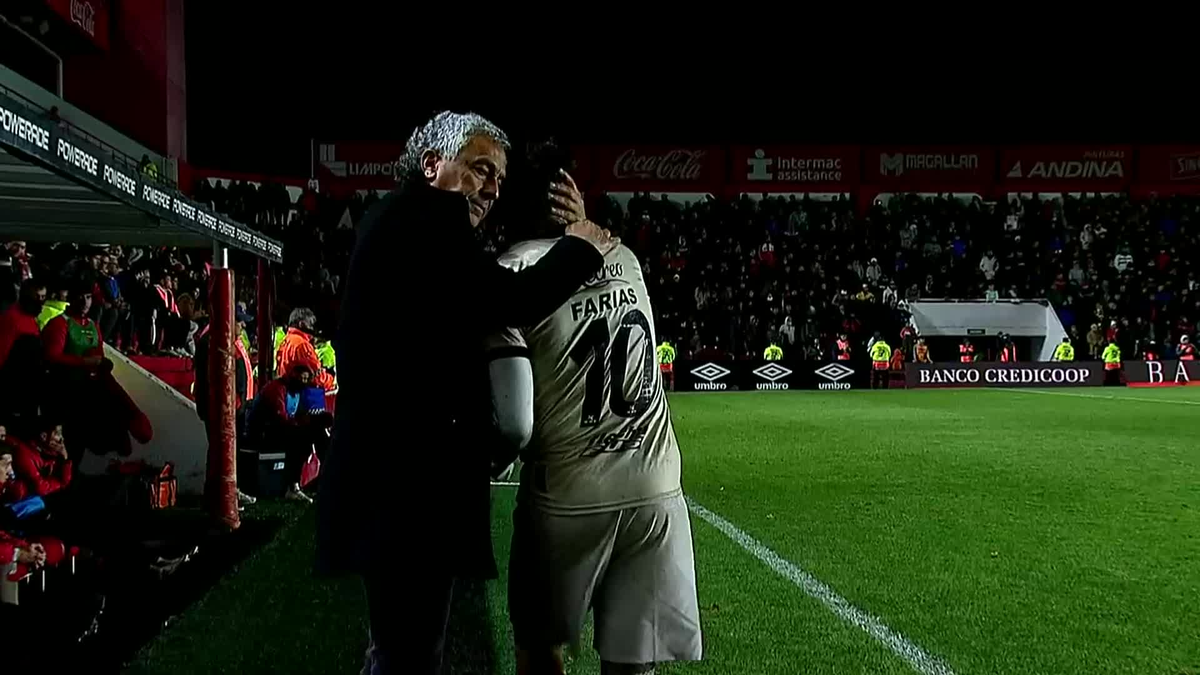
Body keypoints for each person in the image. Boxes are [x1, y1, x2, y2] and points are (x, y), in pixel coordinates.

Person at [315, 111, 616, 675]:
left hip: (390, 486)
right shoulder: (427, 220)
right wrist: (580, 245)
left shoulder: (399, 224)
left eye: (498, 180)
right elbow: (512, 299)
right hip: (407, 494)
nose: (491, 189)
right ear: (433, 166)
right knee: (409, 655)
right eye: (480, 169)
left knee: (396, 649)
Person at [486, 185, 701, 675]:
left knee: (540, 648)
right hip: (656, 487)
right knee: (633, 660)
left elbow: (515, 421)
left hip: (566, 496)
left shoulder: (509, 273)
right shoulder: (624, 255)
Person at [246, 363, 330, 503]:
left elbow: (298, 417)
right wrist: (305, 424)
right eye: (301, 378)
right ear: (292, 376)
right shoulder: (276, 388)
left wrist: (314, 420)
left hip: (282, 430)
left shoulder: (297, 392)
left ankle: (325, 476)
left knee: (317, 432)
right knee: (303, 439)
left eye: (305, 379)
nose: (303, 382)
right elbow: (280, 418)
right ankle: (293, 486)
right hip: (263, 433)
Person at [275, 308, 335, 392]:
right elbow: (317, 377)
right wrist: (332, 381)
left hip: (286, 394)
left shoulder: (286, 341)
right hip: (303, 397)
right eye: (310, 324)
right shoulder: (302, 345)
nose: (312, 328)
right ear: (301, 324)